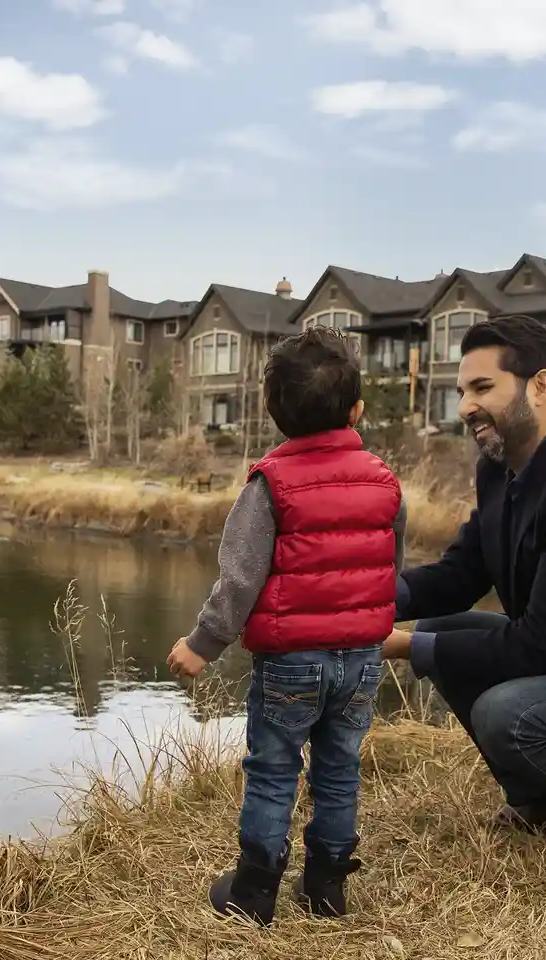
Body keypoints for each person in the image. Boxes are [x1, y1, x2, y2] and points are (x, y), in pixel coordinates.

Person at [383, 313, 546, 863]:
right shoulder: (501, 468)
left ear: (541, 385)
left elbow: (542, 647)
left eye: (483, 388)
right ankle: (544, 803)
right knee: (441, 628)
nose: (464, 407)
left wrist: (402, 644)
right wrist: (368, 600)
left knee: (505, 713)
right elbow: (461, 574)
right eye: (462, 391)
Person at [169, 327, 406, 924]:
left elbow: (240, 577)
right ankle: (326, 885)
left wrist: (204, 643)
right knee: (340, 765)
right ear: (357, 409)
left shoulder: (270, 483)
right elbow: (387, 567)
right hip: (360, 658)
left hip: (290, 661)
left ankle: (253, 891)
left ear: (274, 413)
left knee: (274, 769)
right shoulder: (385, 482)